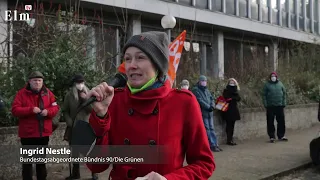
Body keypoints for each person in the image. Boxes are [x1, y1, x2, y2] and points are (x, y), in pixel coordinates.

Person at [85, 31, 215, 179]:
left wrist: (168, 179)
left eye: (140, 57)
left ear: (157, 64)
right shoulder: (114, 100)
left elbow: (204, 164)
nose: (132, 65)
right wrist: (100, 116)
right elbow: (95, 165)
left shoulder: (183, 102)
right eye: (127, 59)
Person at [11, 71, 59, 180]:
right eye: (35, 80)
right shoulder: (21, 94)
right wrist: (31, 110)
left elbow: (55, 107)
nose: (37, 83)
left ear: (42, 82)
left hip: (43, 134)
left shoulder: (48, 93)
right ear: (29, 82)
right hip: (28, 135)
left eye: (39, 80)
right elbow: (15, 110)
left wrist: (48, 112)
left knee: (41, 163)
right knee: (27, 164)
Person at [62, 74, 98, 180]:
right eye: (78, 83)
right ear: (74, 84)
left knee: (90, 151)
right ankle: (75, 173)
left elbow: (93, 110)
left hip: (87, 126)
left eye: (82, 83)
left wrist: (85, 100)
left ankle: (94, 174)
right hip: (74, 126)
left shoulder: (89, 94)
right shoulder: (69, 95)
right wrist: (69, 122)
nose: (81, 85)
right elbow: (65, 110)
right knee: (75, 152)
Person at [192, 75, 222, 152]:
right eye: (203, 81)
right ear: (199, 81)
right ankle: (211, 145)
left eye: (205, 81)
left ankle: (215, 144)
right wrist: (208, 107)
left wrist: (212, 105)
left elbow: (211, 98)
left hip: (210, 113)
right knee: (207, 129)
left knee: (212, 128)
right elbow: (200, 100)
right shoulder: (196, 90)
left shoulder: (207, 90)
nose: (204, 82)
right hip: (204, 112)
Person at [262, 72, 288, 143]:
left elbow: (284, 94)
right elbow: (263, 95)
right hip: (270, 106)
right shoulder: (267, 85)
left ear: (276, 77)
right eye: (272, 76)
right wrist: (266, 104)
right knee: (270, 122)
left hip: (279, 106)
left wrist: (284, 103)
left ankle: (281, 135)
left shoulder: (280, 84)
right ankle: (272, 136)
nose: (273, 77)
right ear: (270, 77)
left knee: (281, 121)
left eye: (274, 76)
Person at [221, 78, 241, 145]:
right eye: (230, 82)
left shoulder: (236, 90)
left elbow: (238, 98)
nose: (232, 83)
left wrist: (232, 98)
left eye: (233, 82)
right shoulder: (226, 90)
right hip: (228, 110)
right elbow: (226, 97)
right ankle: (229, 139)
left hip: (234, 109)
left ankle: (231, 138)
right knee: (228, 125)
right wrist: (232, 98)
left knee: (232, 125)